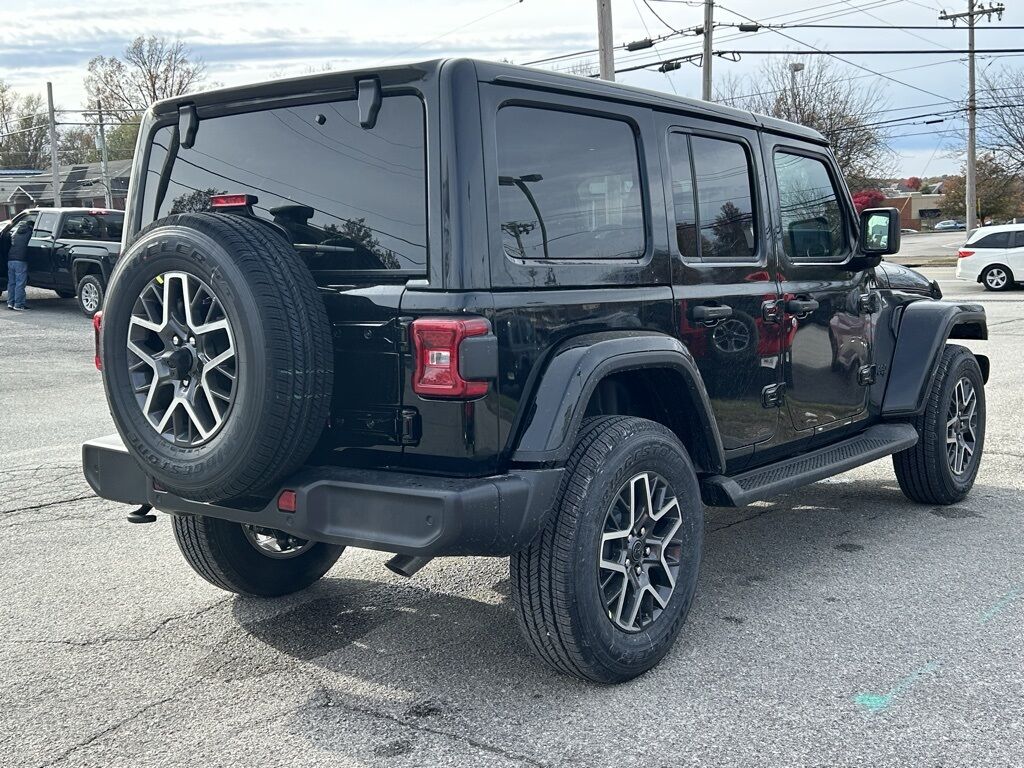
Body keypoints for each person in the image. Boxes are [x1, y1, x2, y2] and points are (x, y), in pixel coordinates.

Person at [6, 220, 32, 311]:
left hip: (10, 259)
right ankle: (19, 304)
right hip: (21, 260)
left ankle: (10, 302)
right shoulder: (29, 233)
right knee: (20, 283)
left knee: (12, 282)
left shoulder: (16, 232)